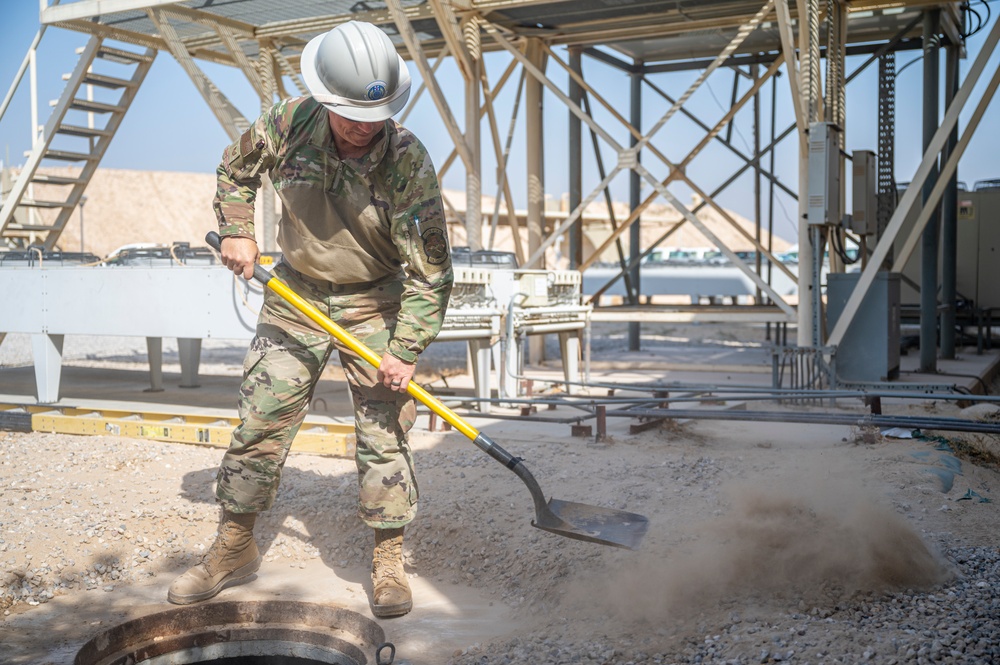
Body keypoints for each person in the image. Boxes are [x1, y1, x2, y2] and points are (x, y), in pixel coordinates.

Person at [167, 20, 453, 619]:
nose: (359, 127)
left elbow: (430, 273)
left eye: (370, 117)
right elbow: (234, 170)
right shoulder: (288, 123)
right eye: (348, 114)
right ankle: (235, 545)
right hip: (293, 294)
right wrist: (240, 231)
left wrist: (406, 348)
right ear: (324, 99)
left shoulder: (408, 162)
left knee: (385, 431)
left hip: (374, 300)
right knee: (260, 418)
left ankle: (389, 556)